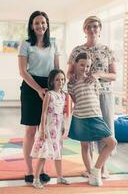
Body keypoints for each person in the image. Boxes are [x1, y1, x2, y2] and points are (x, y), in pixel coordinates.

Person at [67, 16, 116, 178]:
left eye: (95, 26)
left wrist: (98, 74)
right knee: (87, 134)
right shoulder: (76, 51)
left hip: (104, 94)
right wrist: (71, 77)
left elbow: (114, 75)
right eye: (88, 26)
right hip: (84, 97)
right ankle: (90, 169)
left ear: (100, 28)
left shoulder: (107, 50)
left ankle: (102, 167)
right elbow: (69, 73)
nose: (92, 29)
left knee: (105, 130)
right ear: (84, 30)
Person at [18, 10, 60, 184]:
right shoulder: (26, 44)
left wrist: (56, 91)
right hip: (30, 87)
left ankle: (41, 169)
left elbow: (57, 69)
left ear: (47, 25)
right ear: (31, 26)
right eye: (36, 23)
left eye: (43, 22)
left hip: (49, 87)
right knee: (30, 131)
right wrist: (37, 89)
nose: (40, 25)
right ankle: (29, 169)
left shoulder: (54, 44)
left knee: (45, 132)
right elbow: (23, 71)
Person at [30, 69, 70, 188]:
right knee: (44, 154)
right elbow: (43, 113)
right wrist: (42, 129)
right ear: (52, 81)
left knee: (58, 154)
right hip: (47, 129)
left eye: (62, 79)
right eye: (57, 79)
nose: (60, 82)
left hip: (57, 130)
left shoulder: (63, 95)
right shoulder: (49, 94)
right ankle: (36, 179)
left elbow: (62, 113)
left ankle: (60, 177)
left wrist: (63, 126)